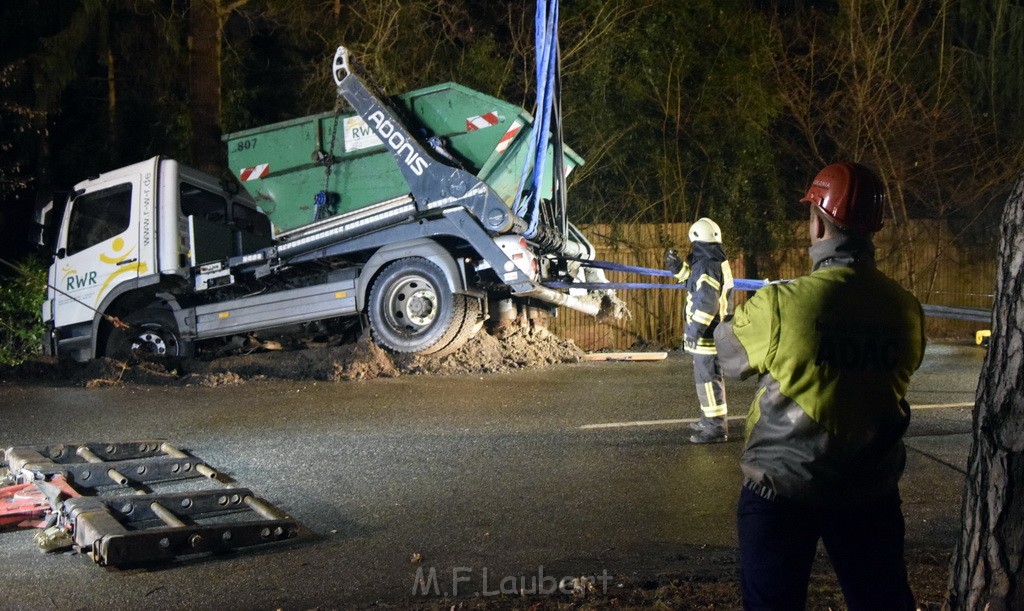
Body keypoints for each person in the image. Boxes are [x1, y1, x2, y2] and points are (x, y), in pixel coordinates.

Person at [713, 162, 926, 610]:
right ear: (873, 229)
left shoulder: (780, 305)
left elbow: (729, 359)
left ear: (816, 223)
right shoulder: (905, 309)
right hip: (870, 492)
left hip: (780, 491)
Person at [664, 217, 734, 444]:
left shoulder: (706, 265)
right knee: (707, 379)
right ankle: (709, 419)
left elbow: (706, 303)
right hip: (713, 332)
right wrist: (677, 269)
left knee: (708, 380)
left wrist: (694, 331)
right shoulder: (712, 261)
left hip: (707, 335)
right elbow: (695, 282)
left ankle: (715, 428)